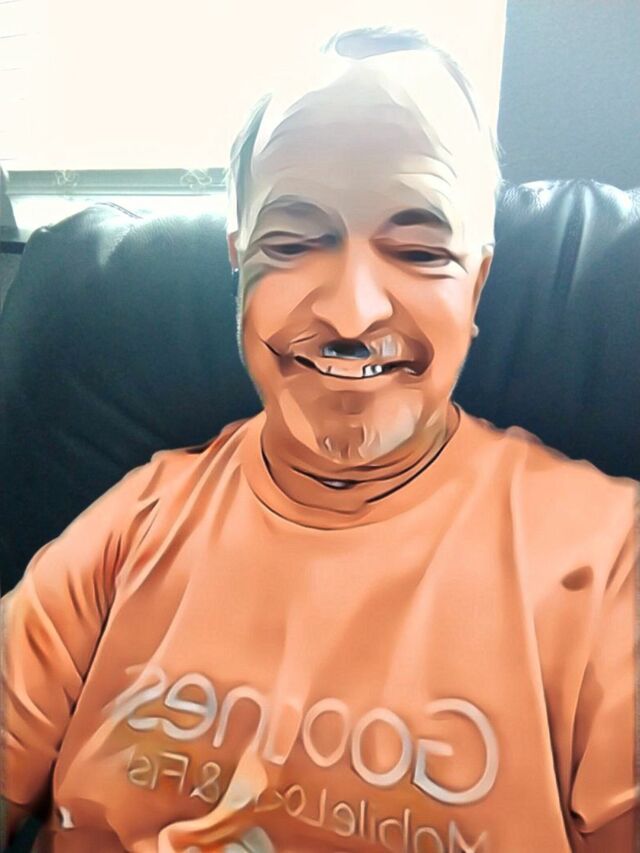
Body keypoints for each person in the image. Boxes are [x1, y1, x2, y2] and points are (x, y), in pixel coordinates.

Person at [1, 26, 637, 853]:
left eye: (420, 250)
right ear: (238, 264)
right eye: (293, 243)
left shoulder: (608, 562)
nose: (350, 312)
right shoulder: (135, 521)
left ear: (477, 280)